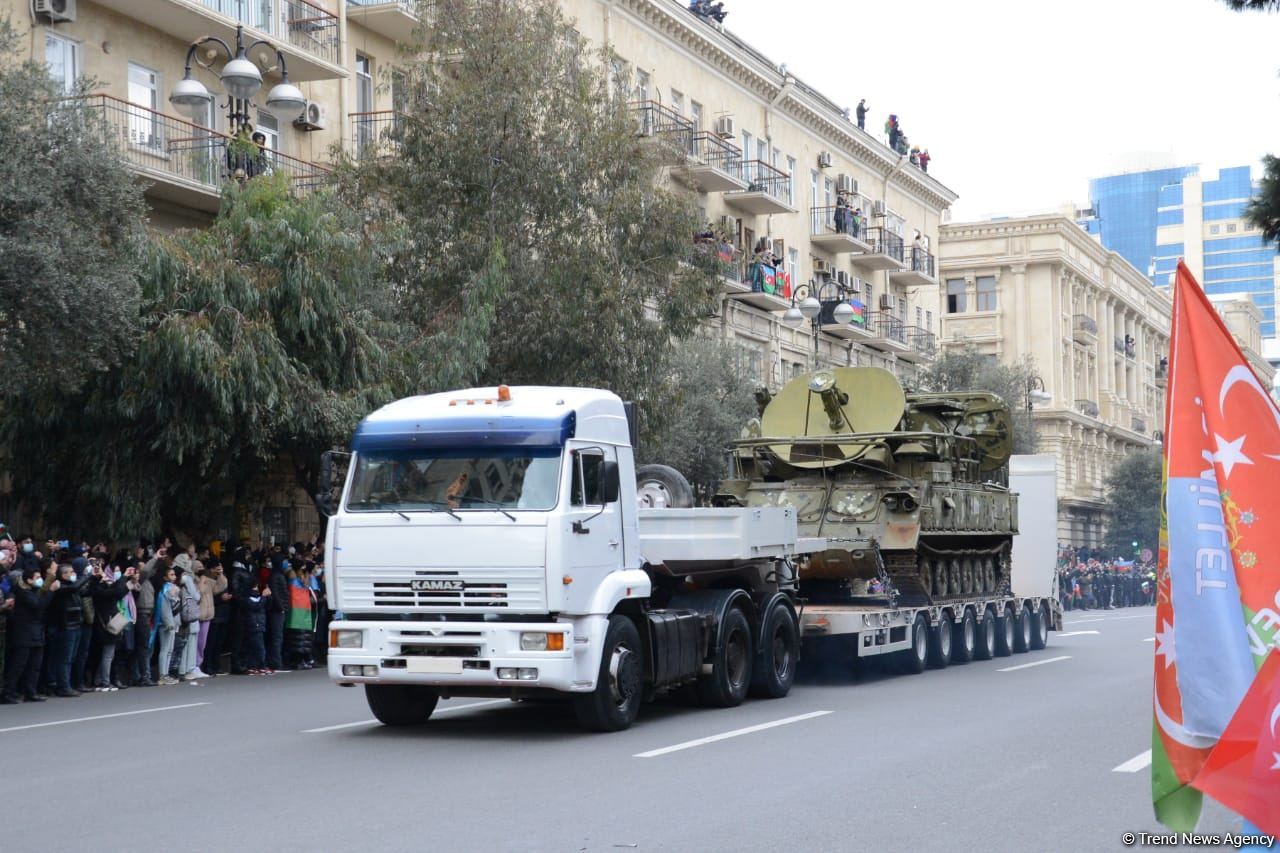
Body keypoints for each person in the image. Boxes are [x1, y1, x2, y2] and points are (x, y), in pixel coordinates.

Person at [2, 563, 55, 703]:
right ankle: (8, 692)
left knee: (35, 665)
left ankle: (30, 691)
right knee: (18, 665)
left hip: (36, 632)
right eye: (37, 577)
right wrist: (51, 591)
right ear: (29, 580)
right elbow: (38, 605)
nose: (40, 579)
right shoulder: (23, 592)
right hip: (24, 633)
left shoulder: (32, 591)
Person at [91, 566, 130, 692]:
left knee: (107, 654)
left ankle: (99, 680)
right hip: (107, 625)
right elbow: (117, 592)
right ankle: (105, 682)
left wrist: (125, 578)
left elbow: (119, 591)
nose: (106, 576)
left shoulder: (103, 589)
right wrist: (124, 577)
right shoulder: (99, 591)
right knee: (108, 655)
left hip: (109, 623)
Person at [198, 557, 228, 676]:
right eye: (215, 568)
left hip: (211, 614)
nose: (217, 569)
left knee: (213, 642)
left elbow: (219, 588)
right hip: (203, 614)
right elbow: (200, 592)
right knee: (206, 643)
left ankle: (212, 665)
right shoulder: (201, 579)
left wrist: (221, 575)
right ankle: (204, 665)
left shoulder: (211, 580)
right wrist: (203, 579)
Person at [153, 565, 180, 686]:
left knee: (169, 650)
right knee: (165, 649)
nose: (174, 577)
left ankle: (166, 674)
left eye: (174, 574)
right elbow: (165, 608)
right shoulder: (166, 589)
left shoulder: (171, 588)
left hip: (172, 622)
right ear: (165, 577)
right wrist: (169, 623)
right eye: (171, 575)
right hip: (167, 623)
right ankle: (162, 675)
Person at [266, 558, 289, 673]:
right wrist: (281, 608)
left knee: (277, 636)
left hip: (279, 609)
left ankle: (276, 660)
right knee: (277, 636)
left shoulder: (276, 575)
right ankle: (276, 662)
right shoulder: (276, 576)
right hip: (277, 610)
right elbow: (276, 594)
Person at [242, 581, 268, 675]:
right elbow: (256, 606)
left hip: (260, 623)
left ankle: (253, 666)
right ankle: (260, 666)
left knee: (255, 646)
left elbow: (267, 606)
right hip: (253, 624)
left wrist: (268, 595)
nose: (256, 589)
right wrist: (264, 596)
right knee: (258, 647)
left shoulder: (259, 597)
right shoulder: (247, 598)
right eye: (254, 587)